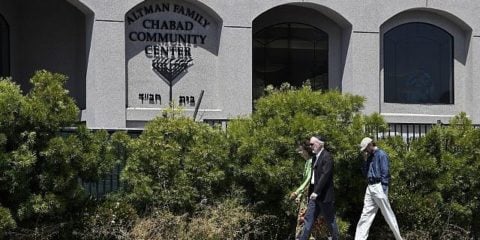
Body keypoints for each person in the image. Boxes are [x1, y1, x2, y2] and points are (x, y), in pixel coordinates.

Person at [354, 137, 403, 240]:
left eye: (365, 148)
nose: (365, 151)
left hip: (378, 186)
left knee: (388, 214)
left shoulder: (381, 154)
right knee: (365, 215)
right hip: (370, 187)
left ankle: (399, 238)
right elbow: (365, 173)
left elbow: (385, 172)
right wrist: (365, 160)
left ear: (370, 145)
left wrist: (384, 189)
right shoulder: (369, 157)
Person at [298, 135, 340, 240]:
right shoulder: (315, 158)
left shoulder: (327, 157)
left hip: (324, 196)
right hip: (314, 196)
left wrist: (316, 192)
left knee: (330, 221)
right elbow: (313, 177)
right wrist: (312, 192)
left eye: (312, 144)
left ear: (320, 144)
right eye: (310, 144)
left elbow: (325, 176)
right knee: (308, 219)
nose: (310, 146)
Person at [290, 140, 316, 239]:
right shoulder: (307, 162)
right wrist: (300, 195)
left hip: (310, 196)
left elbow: (309, 178)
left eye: (301, 150)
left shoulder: (311, 162)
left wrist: (297, 192)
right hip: (305, 195)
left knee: (305, 221)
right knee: (303, 221)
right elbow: (304, 181)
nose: (299, 152)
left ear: (306, 150)